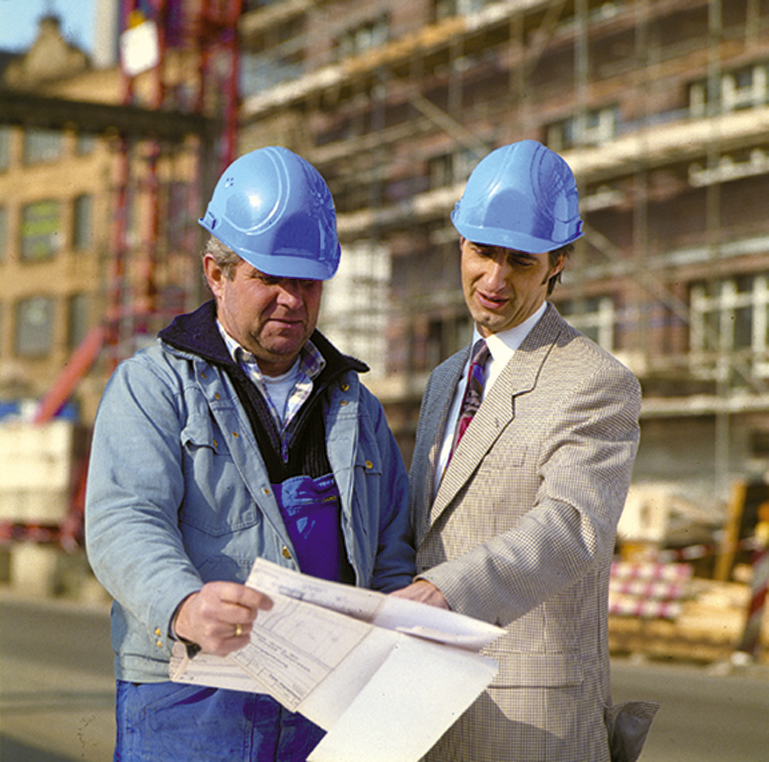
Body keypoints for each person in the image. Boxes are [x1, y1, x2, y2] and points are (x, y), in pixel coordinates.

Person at [85, 146, 415, 762]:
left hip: (327, 701)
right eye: (270, 279)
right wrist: (183, 604)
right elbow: (124, 520)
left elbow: (391, 541)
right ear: (217, 274)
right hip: (190, 698)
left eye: (307, 281)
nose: (292, 300)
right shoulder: (154, 386)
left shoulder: (358, 407)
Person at [392, 140, 657, 762]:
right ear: (460, 241)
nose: (494, 279)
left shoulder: (594, 381)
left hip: (529, 717)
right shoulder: (445, 381)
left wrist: (443, 591)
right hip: (426, 705)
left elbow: (571, 527)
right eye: (482, 253)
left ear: (557, 263)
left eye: (520, 261)